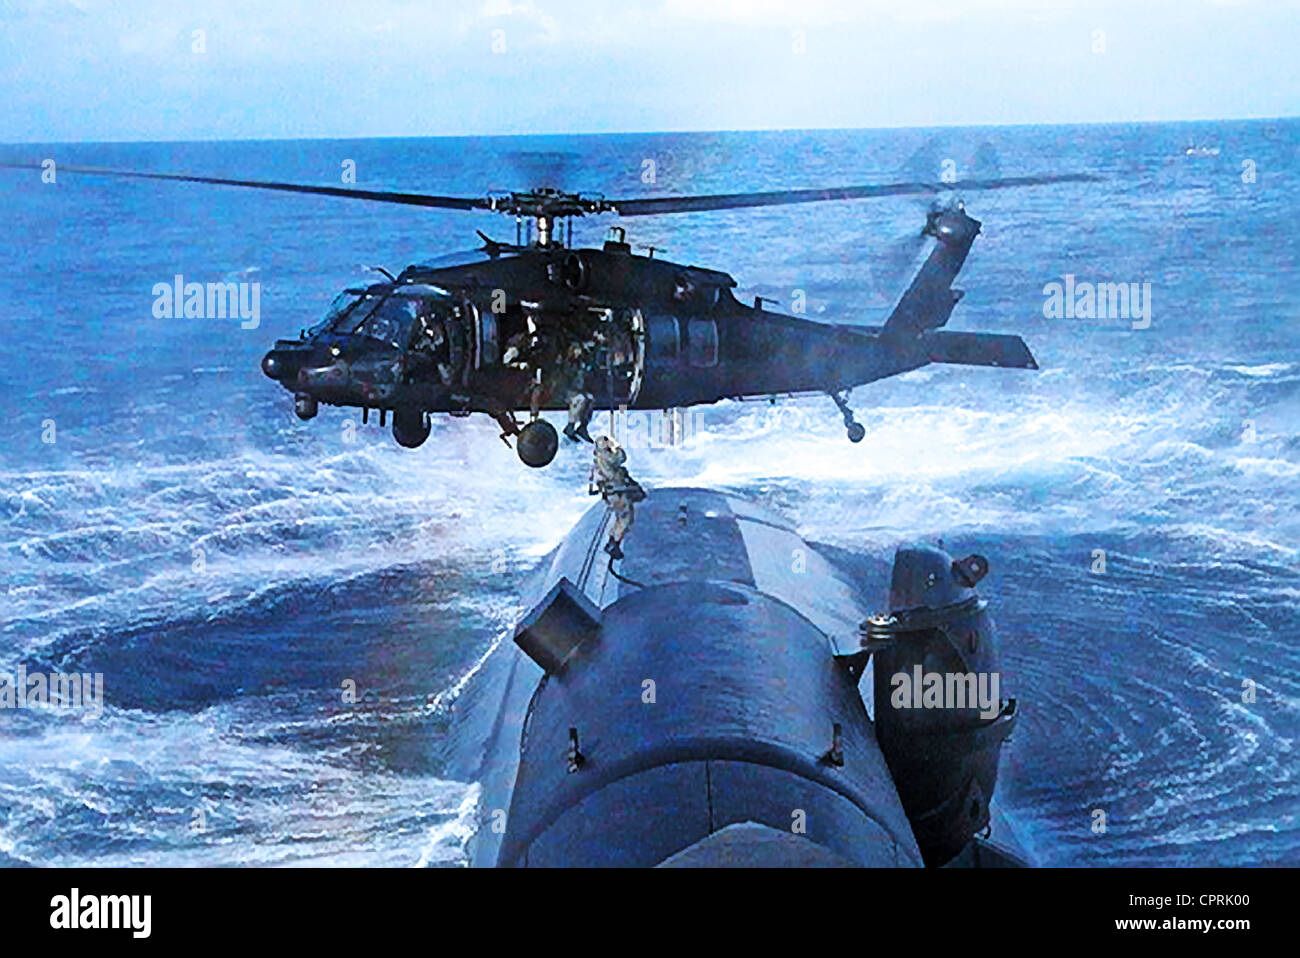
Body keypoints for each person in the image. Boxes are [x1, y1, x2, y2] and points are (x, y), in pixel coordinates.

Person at [589, 436, 645, 559]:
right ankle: (614, 544)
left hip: (611, 493)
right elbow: (621, 458)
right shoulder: (605, 456)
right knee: (626, 518)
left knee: (620, 518)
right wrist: (618, 448)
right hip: (617, 493)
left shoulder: (597, 460)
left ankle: (612, 541)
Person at [561, 341, 595, 443]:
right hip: (570, 391)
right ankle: (570, 427)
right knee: (580, 400)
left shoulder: (582, 362)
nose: (578, 352)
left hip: (580, 390)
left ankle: (583, 427)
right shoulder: (568, 363)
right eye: (576, 350)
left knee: (590, 399)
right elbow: (568, 378)